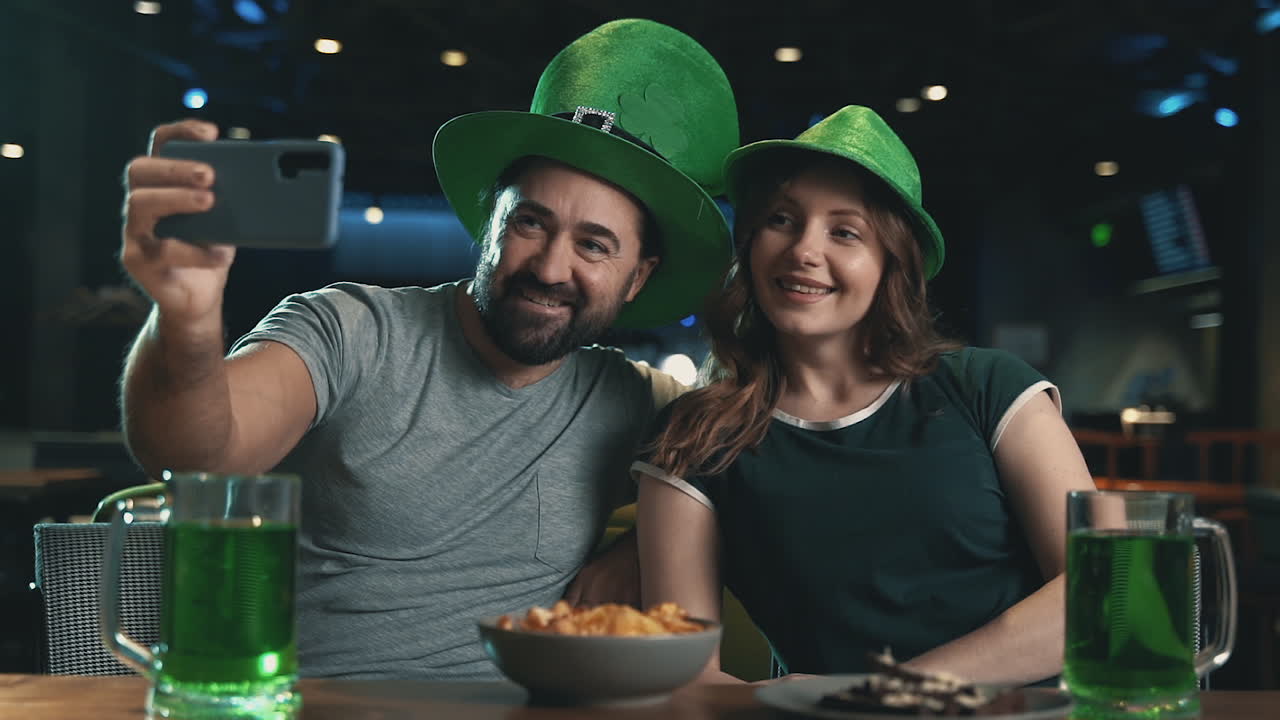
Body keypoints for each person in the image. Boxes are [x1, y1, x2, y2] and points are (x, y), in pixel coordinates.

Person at [117, 19, 739, 680]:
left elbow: (767, 460)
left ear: (638, 276)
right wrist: (184, 320)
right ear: (489, 219)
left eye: (594, 244)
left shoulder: (633, 401)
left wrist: (643, 546)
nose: (551, 267)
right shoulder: (350, 330)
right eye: (530, 222)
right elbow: (194, 454)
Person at [633, 106, 1096, 686]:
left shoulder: (991, 387)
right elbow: (686, 677)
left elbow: (1100, 591)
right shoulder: (694, 436)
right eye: (781, 219)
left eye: (844, 232)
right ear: (749, 244)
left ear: (890, 266)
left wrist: (889, 697)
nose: (803, 249)